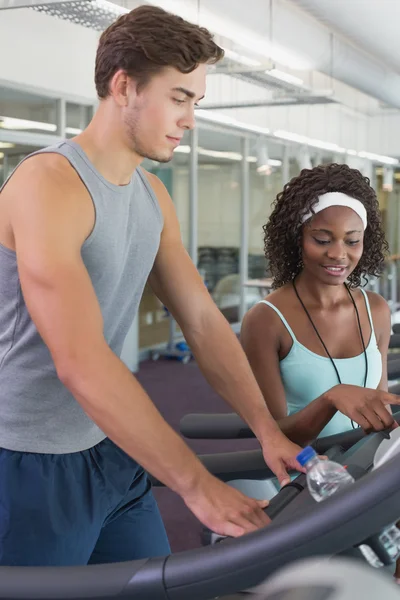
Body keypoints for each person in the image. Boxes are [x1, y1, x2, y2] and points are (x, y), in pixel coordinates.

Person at [0, 5, 306, 567]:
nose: (190, 119)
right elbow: (81, 360)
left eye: (196, 102)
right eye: (180, 97)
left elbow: (203, 320)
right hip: (28, 459)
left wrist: (266, 429)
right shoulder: (48, 186)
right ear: (124, 87)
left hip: (111, 444)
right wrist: (193, 482)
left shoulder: (152, 197)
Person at [241, 163, 398, 445]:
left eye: (352, 241)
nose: (338, 254)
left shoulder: (376, 309)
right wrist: (331, 399)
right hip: (307, 476)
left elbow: (380, 406)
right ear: (297, 238)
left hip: (369, 470)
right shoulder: (266, 320)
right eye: (322, 239)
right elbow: (276, 434)